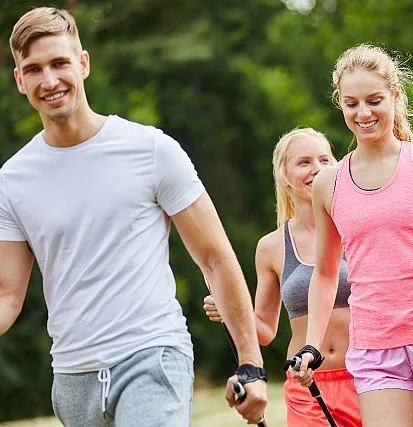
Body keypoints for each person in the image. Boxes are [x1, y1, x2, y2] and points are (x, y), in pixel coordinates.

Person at [0, 7, 267, 426]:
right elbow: (7, 295)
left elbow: (215, 257)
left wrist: (250, 364)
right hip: (72, 378)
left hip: (152, 356)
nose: (49, 80)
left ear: (83, 64)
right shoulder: (13, 180)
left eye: (59, 63)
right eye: (33, 69)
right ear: (19, 80)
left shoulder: (151, 150)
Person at [291, 44, 413, 427]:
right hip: (375, 350)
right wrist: (312, 344)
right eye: (352, 104)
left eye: (374, 100)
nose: (363, 113)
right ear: (341, 105)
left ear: (395, 96)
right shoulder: (328, 183)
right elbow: (325, 274)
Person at [203, 127, 362, 426]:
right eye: (304, 162)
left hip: (367, 378)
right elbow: (264, 330)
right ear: (284, 175)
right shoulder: (271, 247)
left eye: (324, 160)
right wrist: (228, 309)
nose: (317, 169)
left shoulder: (358, 228)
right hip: (307, 387)